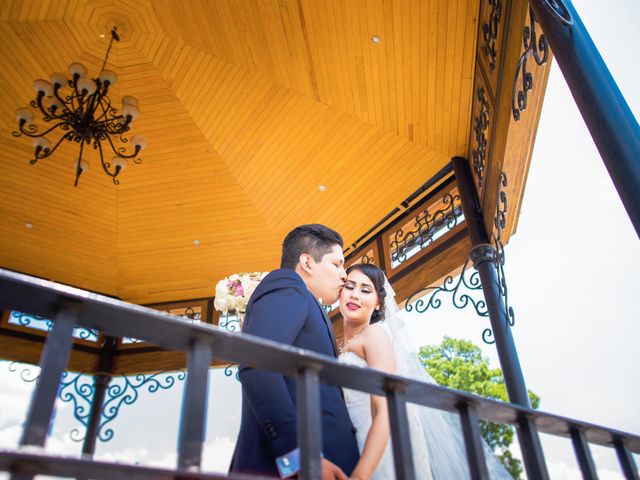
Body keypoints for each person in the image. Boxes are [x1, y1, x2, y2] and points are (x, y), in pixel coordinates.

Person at [338, 263, 513, 479]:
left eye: (365, 290)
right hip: (347, 446)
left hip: (376, 452)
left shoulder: (374, 335)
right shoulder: (339, 345)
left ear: (378, 304)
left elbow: (386, 408)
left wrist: (360, 475)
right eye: (349, 286)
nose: (355, 295)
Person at [229, 224, 360, 479]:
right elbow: (258, 365)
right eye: (337, 264)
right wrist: (300, 457)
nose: (344, 275)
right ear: (307, 263)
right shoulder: (287, 284)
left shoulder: (308, 302)